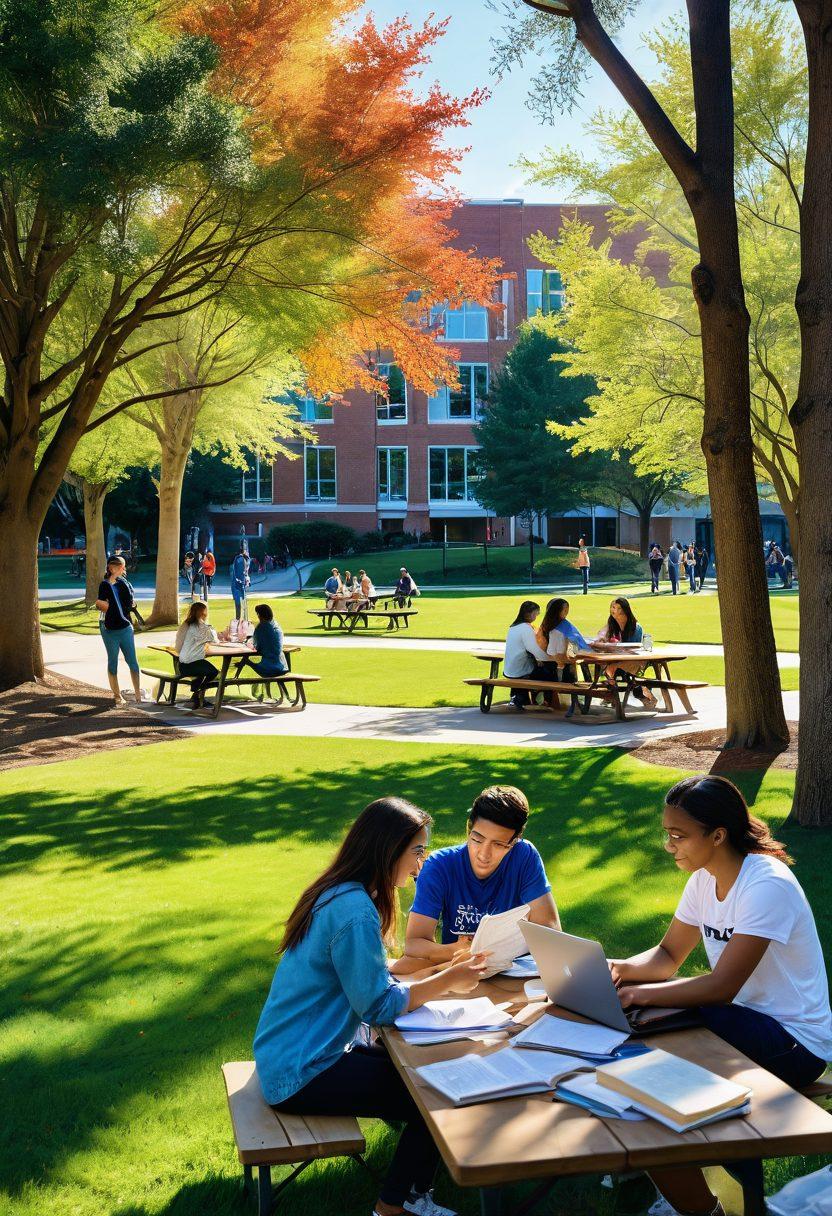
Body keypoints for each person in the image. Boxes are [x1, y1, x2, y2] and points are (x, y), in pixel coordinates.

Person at [254, 797, 490, 1216]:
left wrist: (435, 968)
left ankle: (414, 1193)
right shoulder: (355, 910)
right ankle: (393, 1207)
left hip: (292, 1054)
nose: (423, 861)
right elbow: (377, 1006)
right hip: (301, 1072)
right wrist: (449, 979)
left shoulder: (339, 892)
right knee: (434, 1093)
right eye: (418, 850)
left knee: (422, 1071)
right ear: (388, 848)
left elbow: (371, 980)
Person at [611, 776, 832, 1216]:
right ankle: (695, 1200)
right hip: (738, 1019)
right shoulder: (703, 879)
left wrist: (640, 996)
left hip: (796, 1039)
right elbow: (669, 954)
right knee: (640, 1060)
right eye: (667, 833)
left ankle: (732, 1204)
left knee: (656, 1063)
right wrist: (614, 970)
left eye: (678, 835)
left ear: (717, 835)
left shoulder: (766, 885)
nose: (669, 845)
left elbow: (720, 987)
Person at [405, 786, 560, 962]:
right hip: (459, 972)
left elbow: (550, 931)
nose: (483, 855)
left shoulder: (524, 856)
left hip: (513, 970)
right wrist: (461, 951)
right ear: (469, 829)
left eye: (499, 845)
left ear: (515, 841)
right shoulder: (440, 865)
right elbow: (414, 943)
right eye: (477, 839)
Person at [95, 555, 145, 707]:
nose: (124, 569)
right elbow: (100, 604)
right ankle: (117, 696)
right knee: (113, 662)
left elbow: (130, 604)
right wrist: (107, 606)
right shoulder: (104, 585)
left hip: (125, 627)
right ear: (111, 568)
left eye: (123, 566)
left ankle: (138, 695)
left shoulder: (125, 584)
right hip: (109, 629)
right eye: (121, 566)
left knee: (133, 662)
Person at [592, 597, 657, 706]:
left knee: (614, 670)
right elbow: (600, 636)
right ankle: (611, 696)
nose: (615, 611)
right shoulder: (611, 624)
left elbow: (633, 649)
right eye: (613, 607)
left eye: (618, 608)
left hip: (633, 660)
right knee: (607, 668)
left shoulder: (635, 627)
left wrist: (613, 647)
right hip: (616, 659)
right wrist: (602, 641)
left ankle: (613, 696)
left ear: (625, 610)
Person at [537, 597, 588, 719]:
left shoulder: (553, 627)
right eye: (564, 610)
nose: (566, 613)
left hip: (557, 661)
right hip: (558, 664)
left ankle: (572, 703)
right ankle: (573, 703)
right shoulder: (556, 629)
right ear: (556, 611)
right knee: (570, 676)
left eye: (567, 610)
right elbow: (563, 651)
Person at [502, 600, 550, 710]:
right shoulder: (526, 628)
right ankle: (544, 700)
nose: (536, 616)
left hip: (509, 669)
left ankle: (521, 696)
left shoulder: (513, 627)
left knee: (540, 669)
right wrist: (549, 658)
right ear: (528, 614)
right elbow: (533, 649)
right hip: (519, 670)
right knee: (549, 673)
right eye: (536, 613)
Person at [174, 600, 219, 708]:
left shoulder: (186, 624)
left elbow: (178, 647)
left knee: (203, 671)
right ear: (203, 613)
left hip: (182, 664)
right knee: (213, 672)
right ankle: (197, 694)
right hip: (192, 664)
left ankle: (196, 695)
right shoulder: (201, 626)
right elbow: (214, 640)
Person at [237, 604, 288, 679]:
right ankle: (244, 664)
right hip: (283, 667)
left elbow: (257, 647)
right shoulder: (276, 626)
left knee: (245, 660)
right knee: (246, 660)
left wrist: (247, 642)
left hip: (269, 669)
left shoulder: (262, 627)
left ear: (259, 615)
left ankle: (235, 676)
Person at [230, 546, 250, 620]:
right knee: (243, 602)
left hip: (237, 584)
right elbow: (245, 573)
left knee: (238, 603)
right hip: (241, 584)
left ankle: (238, 619)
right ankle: (244, 619)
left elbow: (236, 573)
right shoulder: (244, 559)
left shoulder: (237, 560)